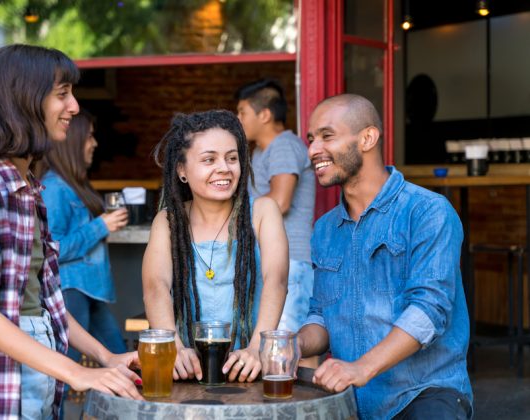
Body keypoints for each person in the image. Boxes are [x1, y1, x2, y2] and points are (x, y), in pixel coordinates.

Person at [0, 44, 142, 419]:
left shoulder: (28, 188)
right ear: (22, 102)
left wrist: (106, 357)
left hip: (39, 382)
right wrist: (75, 371)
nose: (74, 107)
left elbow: (47, 303)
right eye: (63, 95)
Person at [299, 93, 472, 419]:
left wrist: (360, 368)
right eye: (311, 139)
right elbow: (321, 315)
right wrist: (294, 344)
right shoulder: (324, 229)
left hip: (424, 393)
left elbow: (428, 312)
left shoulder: (427, 211)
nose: (312, 150)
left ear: (367, 138)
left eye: (327, 136)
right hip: (355, 401)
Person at [142, 110, 288, 383]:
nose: (224, 167)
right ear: (182, 170)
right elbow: (155, 287)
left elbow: (275, 280)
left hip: (248, 367)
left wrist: (257, 348)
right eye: (209, 159)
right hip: (187, 369)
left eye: (232, 158)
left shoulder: (263, 212)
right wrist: (173, 346)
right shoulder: (168, 221)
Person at [41, 109, 128, 355]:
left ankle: (131, 395)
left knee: (119, 357)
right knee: (68, 371)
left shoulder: (72, 184)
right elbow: (54, 249)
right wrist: (101, 226)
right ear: (74, 141)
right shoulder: (55, 187)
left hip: (87, 290)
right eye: (90, 136)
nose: (95, 143)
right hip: (71, 290)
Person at [235, 78, 315, 333]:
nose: (238, 119)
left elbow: (280, 202)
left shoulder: (284, 145)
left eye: (242, 112)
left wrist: (229, 216)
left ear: (265, 115)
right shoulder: (260, 150)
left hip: (291, 260)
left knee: (287, 344)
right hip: (273, 259)